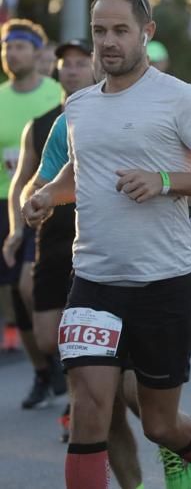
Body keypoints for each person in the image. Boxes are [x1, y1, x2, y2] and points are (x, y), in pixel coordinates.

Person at [22, 0, 191, 488]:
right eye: (100, 30)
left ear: (146, 33)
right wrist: (44, 197)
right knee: (88, 410)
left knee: (160, 424)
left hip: (163, 282)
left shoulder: (179, 98)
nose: (108, 42)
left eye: (120, 30)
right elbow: (80, 176)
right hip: (94, 281)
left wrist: (165, 181)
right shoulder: (79, 106)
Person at [5, 38, 92, 435]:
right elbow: (24, 183)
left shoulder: (104, 116)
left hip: (93, 243)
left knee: (78, 334)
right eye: (66, 64)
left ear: (93, 68)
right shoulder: (43, 125)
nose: (72, 69)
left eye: (80, 62)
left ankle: (80, 409)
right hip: (50, 240)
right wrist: (22, 218)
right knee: (46, 336)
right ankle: (77, 389)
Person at [0, 18, 62, 409]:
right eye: (7, 47)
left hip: (44, 201)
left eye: (20, 47)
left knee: (29, 284)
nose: (12, 53)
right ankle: (43, 372)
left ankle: (58, 357)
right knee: (15, 293)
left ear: (37, 54)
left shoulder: (56, 95)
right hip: (3, 202)